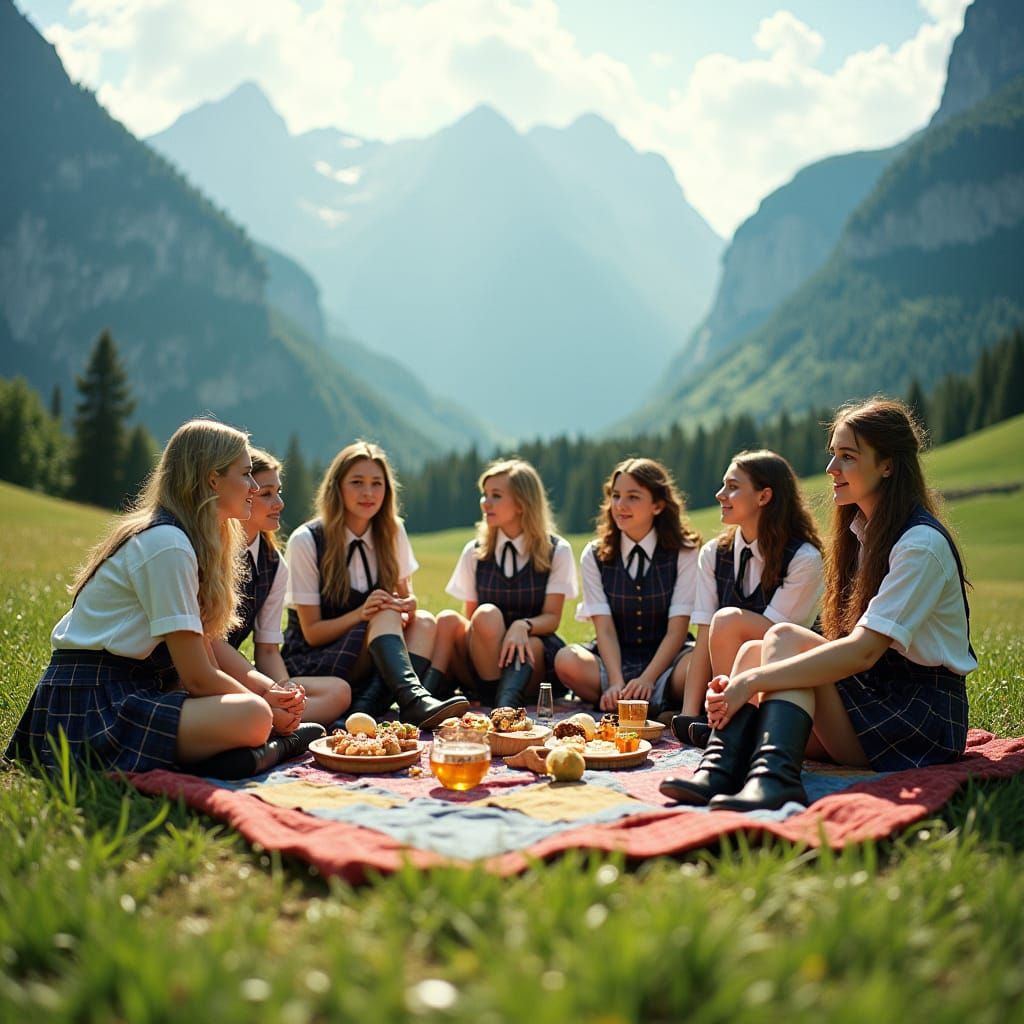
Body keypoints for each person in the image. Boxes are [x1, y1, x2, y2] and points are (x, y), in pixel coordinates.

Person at [660, 398, 974, 812]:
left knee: (783, 639)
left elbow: (863, 651)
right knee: (756, 651)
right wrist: (747, 680)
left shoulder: (920, 545)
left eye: (847, 457)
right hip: (872, 700)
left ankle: (775, 780)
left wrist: (750, 684)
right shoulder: (863, 534)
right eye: (833, 455)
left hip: (915, 719)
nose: (831, 469)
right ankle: (722, 768)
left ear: (887, 465)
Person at [6, 419, 323, 778]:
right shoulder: (167, 543)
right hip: (93, 698)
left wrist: (264, 694)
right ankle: (274, 746)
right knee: (252, 715)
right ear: (212, 479)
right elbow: (199, 677)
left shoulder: (187, 540)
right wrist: (263, 705)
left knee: (251, 713)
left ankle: (245, 756)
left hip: (130, 687)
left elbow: (205, 651)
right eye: (247, 474)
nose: (253, 486)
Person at [281, 440, 469, 728]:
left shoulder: (392, 531)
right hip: (318, 660)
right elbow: (313, 633)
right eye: (357, 482)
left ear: (387, 489)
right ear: (337, 487)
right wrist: (363, 613)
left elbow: (407, 601)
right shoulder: (306, 540)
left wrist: (409, 604)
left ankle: (375, 707)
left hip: (370, 658)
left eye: (376, 483)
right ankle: (409, 701)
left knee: (426, 622)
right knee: (384, 611)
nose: (368, 493)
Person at [666, 450, 824, 745]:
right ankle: (722, 722)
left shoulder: (805, 558)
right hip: (731, 678)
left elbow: (779, 641)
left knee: (727, 621)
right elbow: (703, 634)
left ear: (764, 497)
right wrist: (687, 715)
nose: (720, 494)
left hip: (787, 675)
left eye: (733, 487)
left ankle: (731, 727)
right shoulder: (714, 553)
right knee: (720, 624)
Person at [554, 457, 700, 716]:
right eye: (616, 496)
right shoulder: (595, 555)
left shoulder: (684, 552)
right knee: (566, 660)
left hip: (668, 661)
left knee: (700, 665)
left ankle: (641, 700)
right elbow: (605, 630)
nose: (620, 505)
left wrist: (648, 678)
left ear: (657, 505)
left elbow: (677, 630)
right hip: (613, 659)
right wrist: (615, 680)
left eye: (633, 497)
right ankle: (645, 703)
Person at [431, 458, 578, 708]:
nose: (485, 503)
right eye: (484, 494)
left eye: (496, 496)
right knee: (455, 618)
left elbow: (552, 617)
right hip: (485, 656)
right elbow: (472, 619)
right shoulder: (474, 552)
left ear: (522, 504)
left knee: (529, 642)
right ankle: (424, 698)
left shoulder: (557, 550)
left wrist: (523, 625)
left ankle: (504, 704)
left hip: (532, 655)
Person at [221, 447, 350, 726]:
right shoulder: (211, 552)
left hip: (245, 673)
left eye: (278, 492)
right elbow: (208, 648)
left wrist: (284, 692)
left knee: (339, 692)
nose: (279, 503)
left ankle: (283, 721)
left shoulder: (274, 563)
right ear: (240, 492)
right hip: (208, 673)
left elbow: (267, 650)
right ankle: (278, 724)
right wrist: (266, 691)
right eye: (266, 494)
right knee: (255, 709)